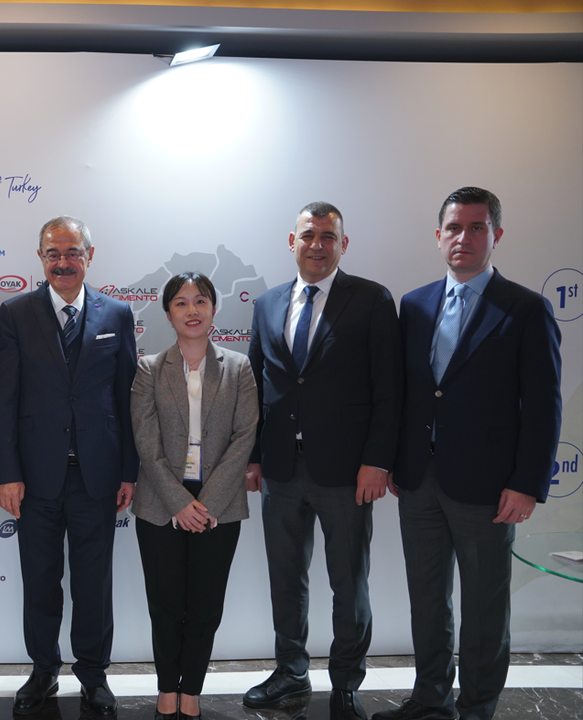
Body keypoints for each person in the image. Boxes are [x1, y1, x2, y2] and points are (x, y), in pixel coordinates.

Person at [373, 188, 561, 720]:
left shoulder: (526, 309)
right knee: (427, 597)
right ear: (439, 237)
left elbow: (543, 406)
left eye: (477, 227)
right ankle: (431, 698)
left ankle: (477, 707)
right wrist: (394, 460)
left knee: (484, 605)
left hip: (490, 487)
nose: (464, 237)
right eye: (454, 228)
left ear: (495, 236)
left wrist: (527, 483)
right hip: (418, 479)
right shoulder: (414, 304)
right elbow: (407, 393)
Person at [244, 202, 402, 720]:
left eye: (328, 236)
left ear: (343, 244)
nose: (318, 245)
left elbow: (389, 388)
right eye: (309, 235)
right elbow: (256, 386)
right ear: (292, 242)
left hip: (347, 472)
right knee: (286, 579)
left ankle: (346, 681)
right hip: (281, 470)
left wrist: (377, 461)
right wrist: (253, 457)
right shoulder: (267, 303)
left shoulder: (372, 299)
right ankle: (290, 673)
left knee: (348, 583)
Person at [0, 216, 138, 718]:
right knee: (40, 579)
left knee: (94, 583)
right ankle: (43, 670)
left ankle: (93, 675)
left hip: (97, 475)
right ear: (40, 258)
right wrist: (7, 473)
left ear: (89, 256)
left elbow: (127, 398)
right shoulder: (14, 313)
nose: (63, 262)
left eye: (72, 252)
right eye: (53, 253)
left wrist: (128, 471)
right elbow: (2, 400)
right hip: (35, 478)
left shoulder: (117, 314)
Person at [130, 272, 258, 720]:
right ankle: (168, 686)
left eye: (200, 301)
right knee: (165, 603)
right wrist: (179, 503)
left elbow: (244, 436)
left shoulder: (239, 367)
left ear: (213, 309)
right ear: (168, 314)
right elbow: (145, 441)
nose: (192, 310)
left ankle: (193, 689)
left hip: (219, 502)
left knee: (205, 604)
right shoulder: (149, 368)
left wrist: (207, 502)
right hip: (160, 502)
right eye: (181, 303)